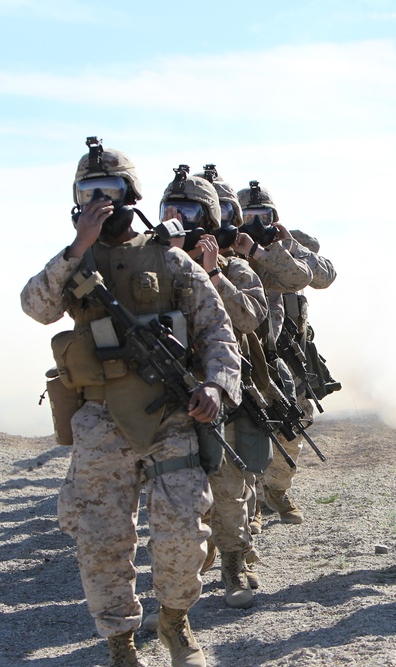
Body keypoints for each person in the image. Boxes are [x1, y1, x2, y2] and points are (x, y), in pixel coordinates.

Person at [21, 138, 241, 667]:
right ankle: (121, 642)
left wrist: (215, 386)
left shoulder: (170, 259)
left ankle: (175, 626)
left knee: (184, 532)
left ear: (131, 193)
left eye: (111, 189)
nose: (102, 200)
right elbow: (35, 307)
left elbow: (218, 334)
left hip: (170, 413)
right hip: (100, 417)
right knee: (101, 537)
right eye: (89, 191)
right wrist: (78, 247)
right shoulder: (75, 259)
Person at [161, 165, 268, 609]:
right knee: (172, 495)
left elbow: (250, 319)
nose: (178, 218)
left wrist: (213, 275)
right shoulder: (156, 261)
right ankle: (175, 591)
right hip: (167, 396)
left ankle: (234, 564)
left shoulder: (236, 269)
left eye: (188, 210)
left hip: (221, 389)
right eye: (171, 209)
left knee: (228, 485)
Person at [235, 181, 336, 527]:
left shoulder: (291, 244)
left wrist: (283, 245)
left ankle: (276, 488)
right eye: (246, 216)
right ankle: (252, 502)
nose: (254, 223)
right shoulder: (228, 246)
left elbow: (324, 276)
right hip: (244, 348)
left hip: (285, 349)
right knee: (246, 422)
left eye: (262, 216)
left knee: (295, 418)